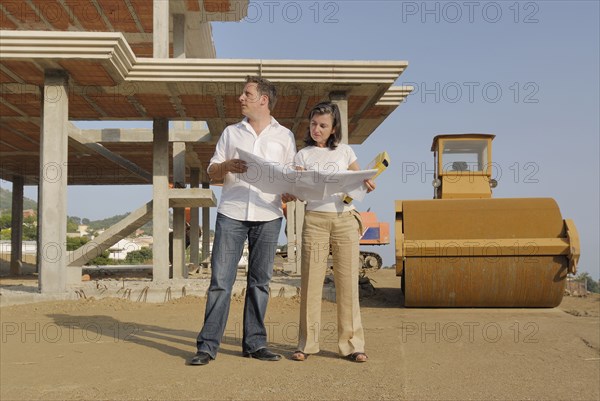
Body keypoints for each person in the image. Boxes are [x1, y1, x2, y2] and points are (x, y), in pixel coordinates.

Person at [189, 76, 296, 366]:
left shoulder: (284, 136)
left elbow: (290, 176)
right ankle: (207, 346)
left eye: (246, 93)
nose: (240, 98)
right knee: (220, 283)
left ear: (263, 99)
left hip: (269, 216)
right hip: (232, 214)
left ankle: (255, 344)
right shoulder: (230, 133)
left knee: (260, 282)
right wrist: (225, 167)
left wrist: (291, 189)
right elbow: (212, 171)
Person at [290, 101, 375, 363]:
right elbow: (296, 191)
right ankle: (307, 343)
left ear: (334, 127)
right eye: (314, 124)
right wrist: (297, 181)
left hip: (345, 219)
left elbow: (359, 179)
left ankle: (352, 345)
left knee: (347, 283)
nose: (317, 129)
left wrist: (367, 183)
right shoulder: (302, 155)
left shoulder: (346, 151)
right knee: (311, 283)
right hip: (314, 219)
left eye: (323, 125)